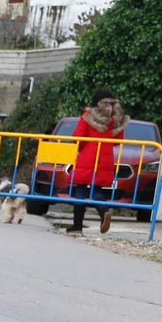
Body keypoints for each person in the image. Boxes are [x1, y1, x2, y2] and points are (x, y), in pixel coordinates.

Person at [68, 89, 129, 235]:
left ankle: (77, 227)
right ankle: (104, 212)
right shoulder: (115, 120)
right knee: (97, 191)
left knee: (81, 192)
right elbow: (117, 141)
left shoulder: (88, 117)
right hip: (105, 159)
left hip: (87, 159)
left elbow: (79, 137)